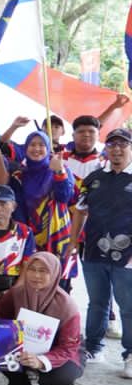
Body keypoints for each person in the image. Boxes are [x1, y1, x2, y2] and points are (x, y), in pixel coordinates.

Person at [72, 126, 132, 370]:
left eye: (122, 144)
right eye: (112, 144)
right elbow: (80, 211)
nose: (117, 149)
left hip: (127, 257)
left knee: (128, 306)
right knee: (97, 303)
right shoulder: (93, 178)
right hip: (93, 252)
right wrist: (72, 242)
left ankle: (130, 355)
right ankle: (94, 348)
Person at [0, 252, 84, 385]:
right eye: (32, 269)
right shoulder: (15, 294)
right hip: (22, 350)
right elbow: (2, 321)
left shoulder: (67, 306)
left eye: (43, 271)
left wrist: (41, 361)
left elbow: (68, 347)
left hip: (59, 352)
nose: (36, 275)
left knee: (61, 379)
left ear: (55, 273)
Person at [9, 131, 76, 282]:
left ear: (47, 148)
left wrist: (59, 171)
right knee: (31, 281)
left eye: (41, 145)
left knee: (58, 283)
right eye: (32, 145)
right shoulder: (19, 175)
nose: (36, 149)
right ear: (25, 148)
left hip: (57, 234)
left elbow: (65, 197)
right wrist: (24, 237)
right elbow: (17, 208)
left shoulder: (61, 168)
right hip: (29, 234)